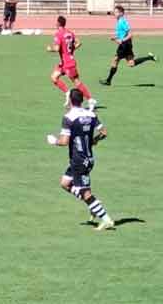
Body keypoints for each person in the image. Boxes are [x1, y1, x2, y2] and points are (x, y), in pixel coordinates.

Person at [46, 89, 114, 231]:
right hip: (87, 158)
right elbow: (104, 132)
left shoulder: (68, 117)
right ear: (81, 100)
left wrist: (54, 141)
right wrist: (94, 140)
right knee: (65, 183)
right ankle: (93, 204)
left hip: (79, 161)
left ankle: (106, 219)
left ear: (70, 100)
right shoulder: (91, 114)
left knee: (86, 193)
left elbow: (64, 141)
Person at [100, 5, 157, 86]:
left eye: (116, 12)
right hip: (126, 44)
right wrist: (115, 37)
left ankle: (108, 80)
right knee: (131, 63)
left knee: (115, 60)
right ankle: (149, 57)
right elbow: (123, 34)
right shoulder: (120, 21)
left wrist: (122, 40)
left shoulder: (122, 21)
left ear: (121, 13)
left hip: (125, 45)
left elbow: (130, 34)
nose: (114, 13)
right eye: (114, 12)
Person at [47, 16, 95, 110]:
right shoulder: (70, 33)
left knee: (77, 82)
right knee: (54, 77)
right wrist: (70, 51)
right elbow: (79, 43)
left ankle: (90, 100)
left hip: (68, 63)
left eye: (56, 22)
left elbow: (57, 48)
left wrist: (50, 49)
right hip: (64, 62)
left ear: (58, 23)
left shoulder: (58, 34)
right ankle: (68, 93)